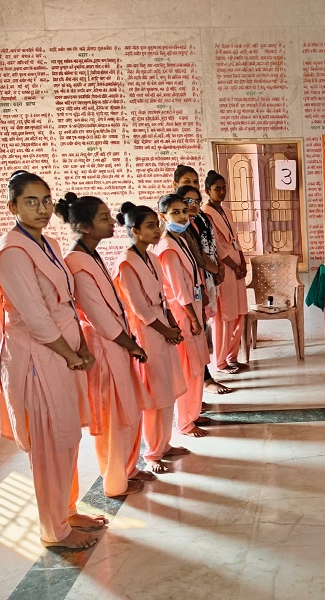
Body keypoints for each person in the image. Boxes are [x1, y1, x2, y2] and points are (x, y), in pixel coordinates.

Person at [0, 170, 105, 549]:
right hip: (38, 357)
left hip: (63, 353)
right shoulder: (11, 252)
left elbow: (65, 302)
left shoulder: (48, 242)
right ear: (12, 207)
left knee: (66, 438)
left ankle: (67, 511)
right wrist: (72, 354)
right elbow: (36, 316)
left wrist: (80, 346)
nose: (42, 209)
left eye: (46, 200)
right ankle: (55, 531)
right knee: (49, 446)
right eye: (30, 202)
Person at [58, 192, 154, 497]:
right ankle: (115, 482)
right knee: (114, 418)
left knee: (128, 411)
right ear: (84, 226)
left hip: (117, 344)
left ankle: (129, 469)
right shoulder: (77, 262)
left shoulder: (91, 255)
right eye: (103, 218)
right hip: (104, 347)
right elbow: (97, 315)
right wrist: (131, 343)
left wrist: (127, 341)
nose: (112, 222)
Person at [113, 202, 190, 474]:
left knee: (166, 389)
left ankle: (164, 444)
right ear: (134, 230)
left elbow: (163, 298)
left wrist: (172, 323)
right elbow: (139, 308)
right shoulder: (126, 264)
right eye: (149, 226)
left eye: (156, 225)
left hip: (162, 327)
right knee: (155, 393)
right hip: (146, 332)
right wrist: (165, 330)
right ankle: (152, 453)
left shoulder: (152, 257)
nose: (157, 230)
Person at [153, 194, 214, 438]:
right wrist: (194, 318)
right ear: (163, 216)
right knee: (188, 368)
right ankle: (185, 422)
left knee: (197, 365)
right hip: (183, 313)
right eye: (175, 212)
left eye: (183, 211)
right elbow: (178, 290)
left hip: (193, 309)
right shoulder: (167, 248)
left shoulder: (181, 240)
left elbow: (192, 276)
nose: (181, 217)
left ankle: (194, 412)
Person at [174, 183, 232, 396]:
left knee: (199, 336)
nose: (193, 205)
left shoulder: (196, 222)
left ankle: (201, 384)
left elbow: (209, 247)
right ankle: (200, 385)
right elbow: (197, 257)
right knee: (191, 342)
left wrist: (217, 269)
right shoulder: (175, 236)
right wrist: (215, 269)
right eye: (188, 201)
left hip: (201, 282)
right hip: (188, 294)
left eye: (196, 201)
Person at [203, 171, 248, 374]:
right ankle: (220, 362)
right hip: (224, 268)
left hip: (236, 266)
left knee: (240, 312)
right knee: (225, 315)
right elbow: (217, 246)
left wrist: (243, 261)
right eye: (217, 189)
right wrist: (233, 265)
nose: (221, 192)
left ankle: (233, 357)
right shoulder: (206, 214)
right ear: (207, 191)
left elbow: (235, 239)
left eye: (224, 188)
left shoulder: (226, 211)